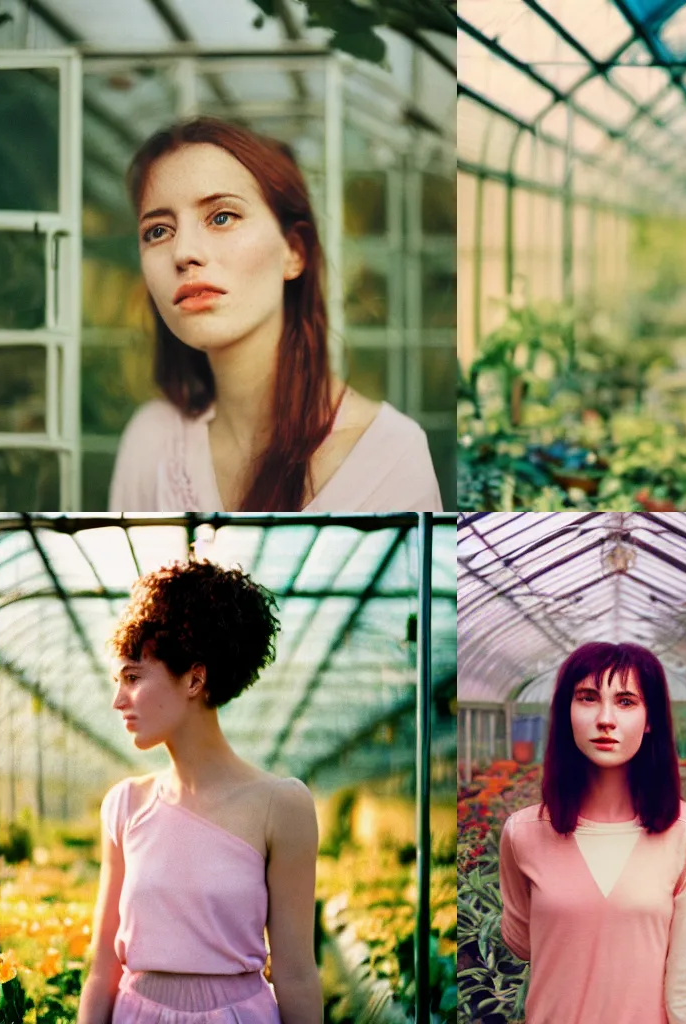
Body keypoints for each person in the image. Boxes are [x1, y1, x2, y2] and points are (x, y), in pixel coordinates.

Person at [108, 116, 442, 513]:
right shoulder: (151, 442)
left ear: (294, 251)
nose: (184, 253)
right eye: (158, 231)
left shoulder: (390, 457)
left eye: (221, 217)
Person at [76, 559, 322, 1024]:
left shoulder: (281, 806)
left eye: (133, 677)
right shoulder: (125, 805)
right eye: (118, 681)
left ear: (194, 678)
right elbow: (102, 968)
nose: (118, 700)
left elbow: (296, 975)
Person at [498, 642, 686, 1024]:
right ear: (566, 712)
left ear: (651, 719)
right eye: (587, 698)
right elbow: (521, 942)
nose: (605, 718)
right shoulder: (523, 833)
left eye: (626, 701)